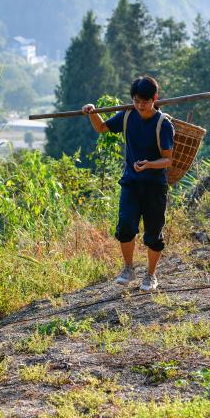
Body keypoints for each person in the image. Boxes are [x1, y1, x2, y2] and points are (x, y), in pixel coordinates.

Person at [83, 76, 174, 291]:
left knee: (153, 234)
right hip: (131, 183)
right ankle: (128, 268)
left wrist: (150, 164)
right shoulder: (127, 116)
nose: (140, 106)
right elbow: (102, 128)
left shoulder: (163, 124)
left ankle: (150, 275)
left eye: (145, 101)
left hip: (154, 186)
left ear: (155, 98)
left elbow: (168, 159)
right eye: (136, 101)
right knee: (125, 226)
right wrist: (92, 112)